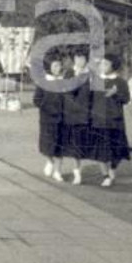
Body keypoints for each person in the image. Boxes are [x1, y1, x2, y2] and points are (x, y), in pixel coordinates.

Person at [88, 53, 131, 187]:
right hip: (98, 121)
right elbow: (89, 100)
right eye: (101, 63)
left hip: (115, 121)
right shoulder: (96, 81)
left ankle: (112, 168)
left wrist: (115, 94)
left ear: (114, 66)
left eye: (106, 64)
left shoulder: (120, 82)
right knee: (101, 151)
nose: (103, 66)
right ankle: (105, 175)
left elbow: (126, 99)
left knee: (117, 150)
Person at [33, 53, 66, 182]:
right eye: (55, 65)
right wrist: (47, 107)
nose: (58, 68)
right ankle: (49, 161)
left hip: (62, 119)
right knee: (46, 146)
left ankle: (58, 171)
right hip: (47, 119)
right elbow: (36, 100)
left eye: (59, 65)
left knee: (60, 146)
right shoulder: (43, 82)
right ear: (49, 67)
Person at [62, 49, 92, 185]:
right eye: (78, 58)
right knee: (75, 145)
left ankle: (107, 172)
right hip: (72, 114)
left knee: (83, 143)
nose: (80, 61)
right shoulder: (69, 73)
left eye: (83, 58)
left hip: (87, 113)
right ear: (74, 59)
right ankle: (77, 172)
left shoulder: (91, 74)